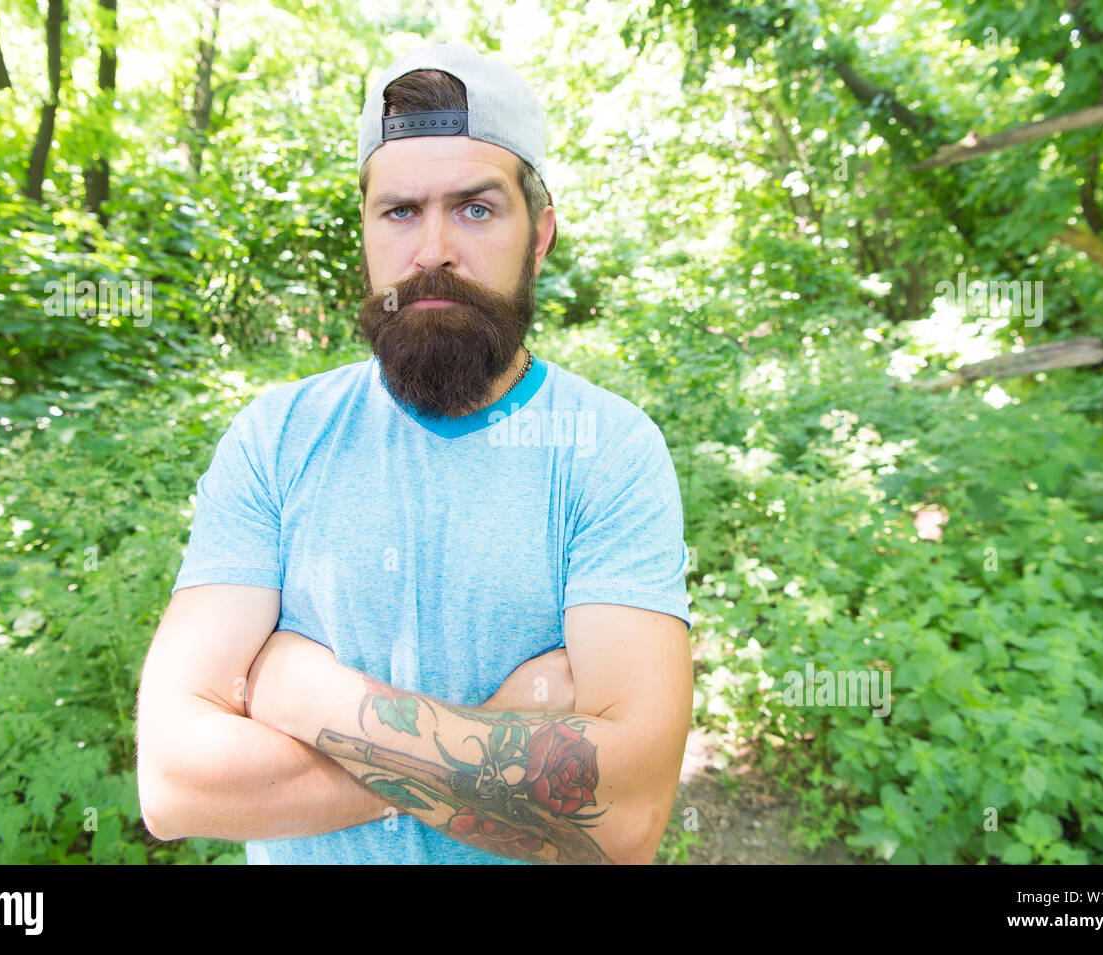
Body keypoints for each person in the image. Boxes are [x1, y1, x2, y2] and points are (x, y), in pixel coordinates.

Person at [135, 43, 693, 864]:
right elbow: (177, 782)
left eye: (475, 209)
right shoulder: (278, 437)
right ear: (365, 233)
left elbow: (623, 816)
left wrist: (309, 697)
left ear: (537, 236)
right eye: (400, 211)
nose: (433, 249)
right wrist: (506, 729)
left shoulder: (609, 453)